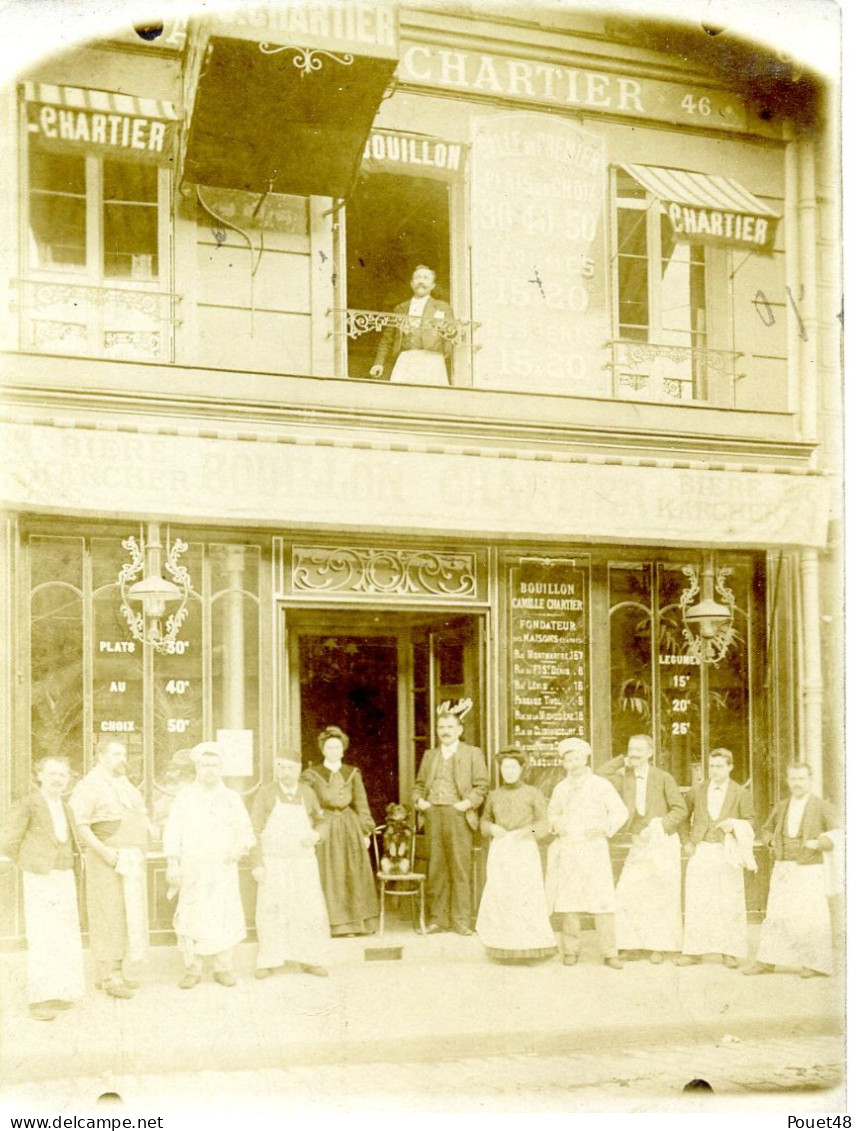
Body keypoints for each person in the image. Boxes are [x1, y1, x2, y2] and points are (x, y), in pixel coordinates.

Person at [163, 742, 255, 988]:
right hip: (193, 867)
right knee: (193, 916)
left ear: (221, 768)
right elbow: (172, 831)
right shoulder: (185, 796)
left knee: (223, 915)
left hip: (222, 868)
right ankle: (192, 968)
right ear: (197, 767)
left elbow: (245, 830)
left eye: (215, 765)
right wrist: (173, 863)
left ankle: (222, 967)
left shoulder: (231, 798)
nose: (210, 770)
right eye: (205, 765)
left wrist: (238, 848)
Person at [1, 756, 86, 1021]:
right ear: (40, 776)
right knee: (42, 934)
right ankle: (38, 999)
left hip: (64, 875)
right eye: (52, 774)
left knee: (63, 934)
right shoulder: (28, 804)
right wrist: (30, 863)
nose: (58, 779)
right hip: (39, 876)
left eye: (63, 775)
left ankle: (58, 992)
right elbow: (8, 840)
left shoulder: (66, 805)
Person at [70, 737, 151, 998]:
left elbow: (140, 813)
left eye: (124, 753)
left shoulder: (124, 783)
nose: (122, 759)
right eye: (116, 754)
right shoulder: (89, 785)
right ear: (100, 756)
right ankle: (109, 976)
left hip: (130, 859)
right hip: (107, 858)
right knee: (109, 915)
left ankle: (116, 969)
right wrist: (104, 853)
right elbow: (80, 825)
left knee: (128, 914)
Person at [743, 762, 841, 979]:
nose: (796, 783)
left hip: (810, 868)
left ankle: (816, 964)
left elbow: (842, 831)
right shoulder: (781, 806)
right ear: (788, 781)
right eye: (793, 779)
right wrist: (770, 843)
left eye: (801, 779)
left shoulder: (821, 806)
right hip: (783, 867)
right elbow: (766, 829)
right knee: (778, 914)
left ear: (810, 780)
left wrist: (821, 841)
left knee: (811, 915)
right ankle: (767, 961)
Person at [598, 734, 686, 963]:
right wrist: (621, 761)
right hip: (637, 844)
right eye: (630, 749)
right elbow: (600, 775)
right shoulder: (623, 777)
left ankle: (659, 946)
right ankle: (631, 944)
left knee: (661, 895)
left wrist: (658, 827)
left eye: (639, 749)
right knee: (629, 893)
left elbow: (680, 809)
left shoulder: (663, 777)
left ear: (650, 752)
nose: (634, 753)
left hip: (662, 843)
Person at [545, 737, 629, 968]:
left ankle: (610, 952)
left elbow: (620, 812)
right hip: (569, 848)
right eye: (569, 759)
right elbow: (550, 815)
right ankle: (571, 950)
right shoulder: (560, 788)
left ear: (586, 759)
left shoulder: (600, 785)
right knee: (569, 902)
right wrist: (555, 824)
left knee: (602, 901)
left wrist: (604, 828)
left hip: (594, 850)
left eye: (578, 758)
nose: (574, 763)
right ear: (563, 763)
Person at [250, 749, 331, 978]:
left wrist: (317, 835)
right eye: (282, 767)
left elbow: (322, 821)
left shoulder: (308, 793)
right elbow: (254, 830)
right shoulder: (265, 794)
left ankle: (309, 959)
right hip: (273, 862)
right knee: (271, 910)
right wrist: (257, 863)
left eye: (291, 767)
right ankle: (267, 960)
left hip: (302, 862)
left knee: (307, 909)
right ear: (276, 769)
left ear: (299, 769)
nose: (287, 772)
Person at [674, 748, 757, 968]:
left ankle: (729, 951)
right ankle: (693, 951)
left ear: (730, 767)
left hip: (727, 852)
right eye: (712, 766)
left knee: (729, 901)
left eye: (720, 766)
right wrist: (687, 842)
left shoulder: (741, 793)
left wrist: (735, 825)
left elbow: (751, 821)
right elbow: (682, 818)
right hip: (701, 850)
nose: (715, 770)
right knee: (698, 900)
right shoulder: (696, 791)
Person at [414, 699, 489, 935]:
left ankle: (461, 920)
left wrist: (466, 804)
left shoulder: (472, 753)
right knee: (436, 868)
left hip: (458, 816)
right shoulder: (430, 755)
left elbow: (482, 786)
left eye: (449, 727)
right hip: (433, 815)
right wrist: (419, 802)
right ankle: (439, 919)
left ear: (459, 730)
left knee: (460, 867)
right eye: (441, 728)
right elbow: (418, 785)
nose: (445, 732)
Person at [475, 747, 557, 963]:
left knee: (525, 896)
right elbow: (483, 821)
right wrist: (492, 829)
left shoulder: (533, 793)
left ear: (521, 769)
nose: (508, 771)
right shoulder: (494, 795)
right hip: (501, 849)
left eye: (513, 767)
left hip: (524, 849)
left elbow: (544, 823)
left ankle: (530, 949)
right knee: (502, 894)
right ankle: (503, 949)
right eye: (504, 767)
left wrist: (527, 832)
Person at [302, 726, 378, 937]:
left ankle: (354, 925)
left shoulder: (352, 773)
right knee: (329, 874)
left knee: (352, 874)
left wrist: (365, 832)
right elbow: (305, 802)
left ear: (343, 750)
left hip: (348, 826)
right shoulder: (312, 774)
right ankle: (332, 924)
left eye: (337, 747)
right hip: (324, 826)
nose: (333, 750)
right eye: (329, 747)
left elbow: (361, 804)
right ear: (323, 750)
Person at [369, 265, 455, 386]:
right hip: (406, 359)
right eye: (417, 277)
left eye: (426, 278)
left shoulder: (442, 307)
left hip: (432, 359)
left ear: (433, 285)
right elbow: (387, 340)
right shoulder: (400, 308)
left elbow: (452, 334)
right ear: (411, 283)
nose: (421, 281)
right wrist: (378, 363)